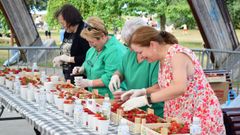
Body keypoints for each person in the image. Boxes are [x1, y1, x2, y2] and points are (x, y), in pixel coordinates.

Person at [121, 26, 226, 134]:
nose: (140, 56)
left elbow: (179, 87)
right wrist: (143, 91)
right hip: (180, 116)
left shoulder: (177, 55)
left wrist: (146, 99)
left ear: (152, 45)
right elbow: (166, 86)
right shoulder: (162, 58)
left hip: (199, 115)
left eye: (140, 52)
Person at [108, 18, 164, 117]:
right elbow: (121, 70)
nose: (130, 48)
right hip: (133, 111)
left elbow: (161, 88)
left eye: (132, 44)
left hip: (154, 113)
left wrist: (142, 94)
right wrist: (116, 76)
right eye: (127, 44)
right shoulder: (129, 54)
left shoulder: (155, 58)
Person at [72, 17, 127, 98]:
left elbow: (110, 77)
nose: (90, 45)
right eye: (88, 41)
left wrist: (89, 83)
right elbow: (88, 63)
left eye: (92, 42)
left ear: (103, 36)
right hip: (96, 96)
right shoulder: (93, 49)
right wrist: (82, 69)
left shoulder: (115, 51)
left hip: (111, 98)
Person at [52, 4, 90, 84]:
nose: (62, 26)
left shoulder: (84, 31)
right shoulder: (67, 32)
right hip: (68, 74)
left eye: (63, 23)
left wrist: (68, 59)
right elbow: (67, 50)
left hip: (81, 77)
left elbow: (88, 56)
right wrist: (61, 59)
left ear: (70, 20)